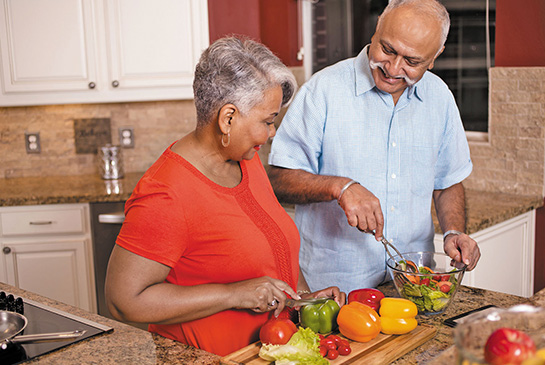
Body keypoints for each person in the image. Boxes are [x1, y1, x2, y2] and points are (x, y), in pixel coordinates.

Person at [105, 36, 345, 356]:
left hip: (262, 353)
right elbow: (123, 302)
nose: (271, 133)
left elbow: (271, 255)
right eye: (268, 121)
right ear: (228, 118)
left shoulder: (246, 159)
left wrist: (304, 298)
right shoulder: (166, 193)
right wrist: (232, 295)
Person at [267, 0, 481, 295]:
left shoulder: (440, 99)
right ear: (377, 28)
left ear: (434, 58)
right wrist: (340, 187)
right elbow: (277, 180)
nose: (393, 68)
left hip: (411, 285)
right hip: (332, 289)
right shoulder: (323, 91)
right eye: (388, 49)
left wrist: (454, 232)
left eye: (412, 61)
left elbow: (447, 183)